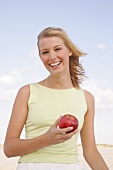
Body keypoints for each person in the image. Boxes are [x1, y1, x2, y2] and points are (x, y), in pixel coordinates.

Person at [4, 27, 109, 170]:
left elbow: (91, 152)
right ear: (40, 57)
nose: (52, 57)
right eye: (45, 52)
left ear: (69, 51)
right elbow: (9, 149)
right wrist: (46, 139)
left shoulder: (87, 98)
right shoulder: (27, 92)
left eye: (57, 49)